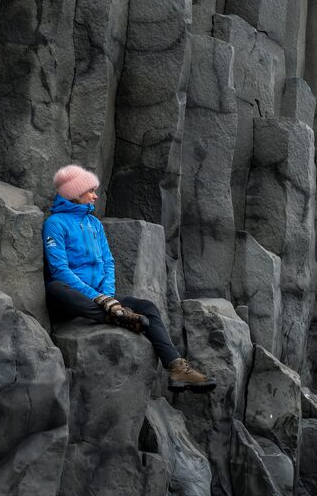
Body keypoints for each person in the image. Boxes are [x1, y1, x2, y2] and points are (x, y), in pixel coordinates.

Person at [43, 164, 214, 390]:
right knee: (56, 288)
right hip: (74, 300)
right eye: (90, 191)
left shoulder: (94, 223)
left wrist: (108, 295)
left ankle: (176, 367)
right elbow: (60, 270)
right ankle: (116, 317)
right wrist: (101, 300)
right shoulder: (55, 224)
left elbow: (108, 261)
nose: (95, 195)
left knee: (147, 306)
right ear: (75, 194)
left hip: (103, 298)